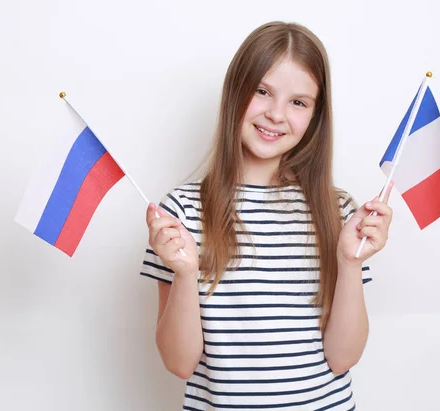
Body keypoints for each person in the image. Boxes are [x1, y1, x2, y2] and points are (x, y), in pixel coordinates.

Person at [140, 21, 393, 411]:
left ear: (315, 115)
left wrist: (350, 262)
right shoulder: (181, 213)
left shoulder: (338, 212)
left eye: (298, 102)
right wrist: (186, 272)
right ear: (234, 93)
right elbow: (178, 363)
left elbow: (343, 358)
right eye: (262, 92)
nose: (276, 114)